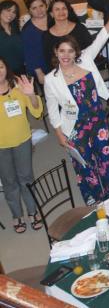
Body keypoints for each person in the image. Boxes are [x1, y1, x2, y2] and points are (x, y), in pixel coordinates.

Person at [43, 3, 109, 204]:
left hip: (97, 121)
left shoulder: (86, 59)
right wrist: (59, 134)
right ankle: (96, 201)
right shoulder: (51, 79)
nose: (66, 55)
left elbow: (103, 35)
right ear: (56, 52)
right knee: (85, 166)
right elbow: (52, 110)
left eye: (70, 51)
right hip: (74, 127)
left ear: (76, 53)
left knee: (105, 162)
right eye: (62, 51)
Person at [0, 61, 43, 233]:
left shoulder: (19, 86)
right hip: (1, 147)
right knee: (9, 182)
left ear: (6, 68)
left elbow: (37, 112)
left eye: (0, 67)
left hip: (22, 141)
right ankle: (16, 215)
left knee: (26, 178)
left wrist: (31, 94)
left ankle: (32, 211)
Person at [41, 0, 93, 74]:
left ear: (68, 11)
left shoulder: (80, 29)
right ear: (51, 14)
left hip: (83, 70)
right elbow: (48, 61)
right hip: (60, 74)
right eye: (57, 9)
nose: (61, 12)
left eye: (64, 8)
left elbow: (90, 51)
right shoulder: (46, 36)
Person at [20, 0, 48, 83]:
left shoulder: (55, 19)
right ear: (29, 11)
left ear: (46, 6)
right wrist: (39, 73)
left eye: (41, 6)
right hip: (43, 68)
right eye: (34, 8)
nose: (39, 10)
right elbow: (29, 54)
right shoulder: (27, 30)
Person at [0, 1, 24, 75]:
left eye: (14, 12)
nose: (11, 14)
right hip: (4, 73)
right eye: (8, 10)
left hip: (22, 69)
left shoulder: (16, 28)